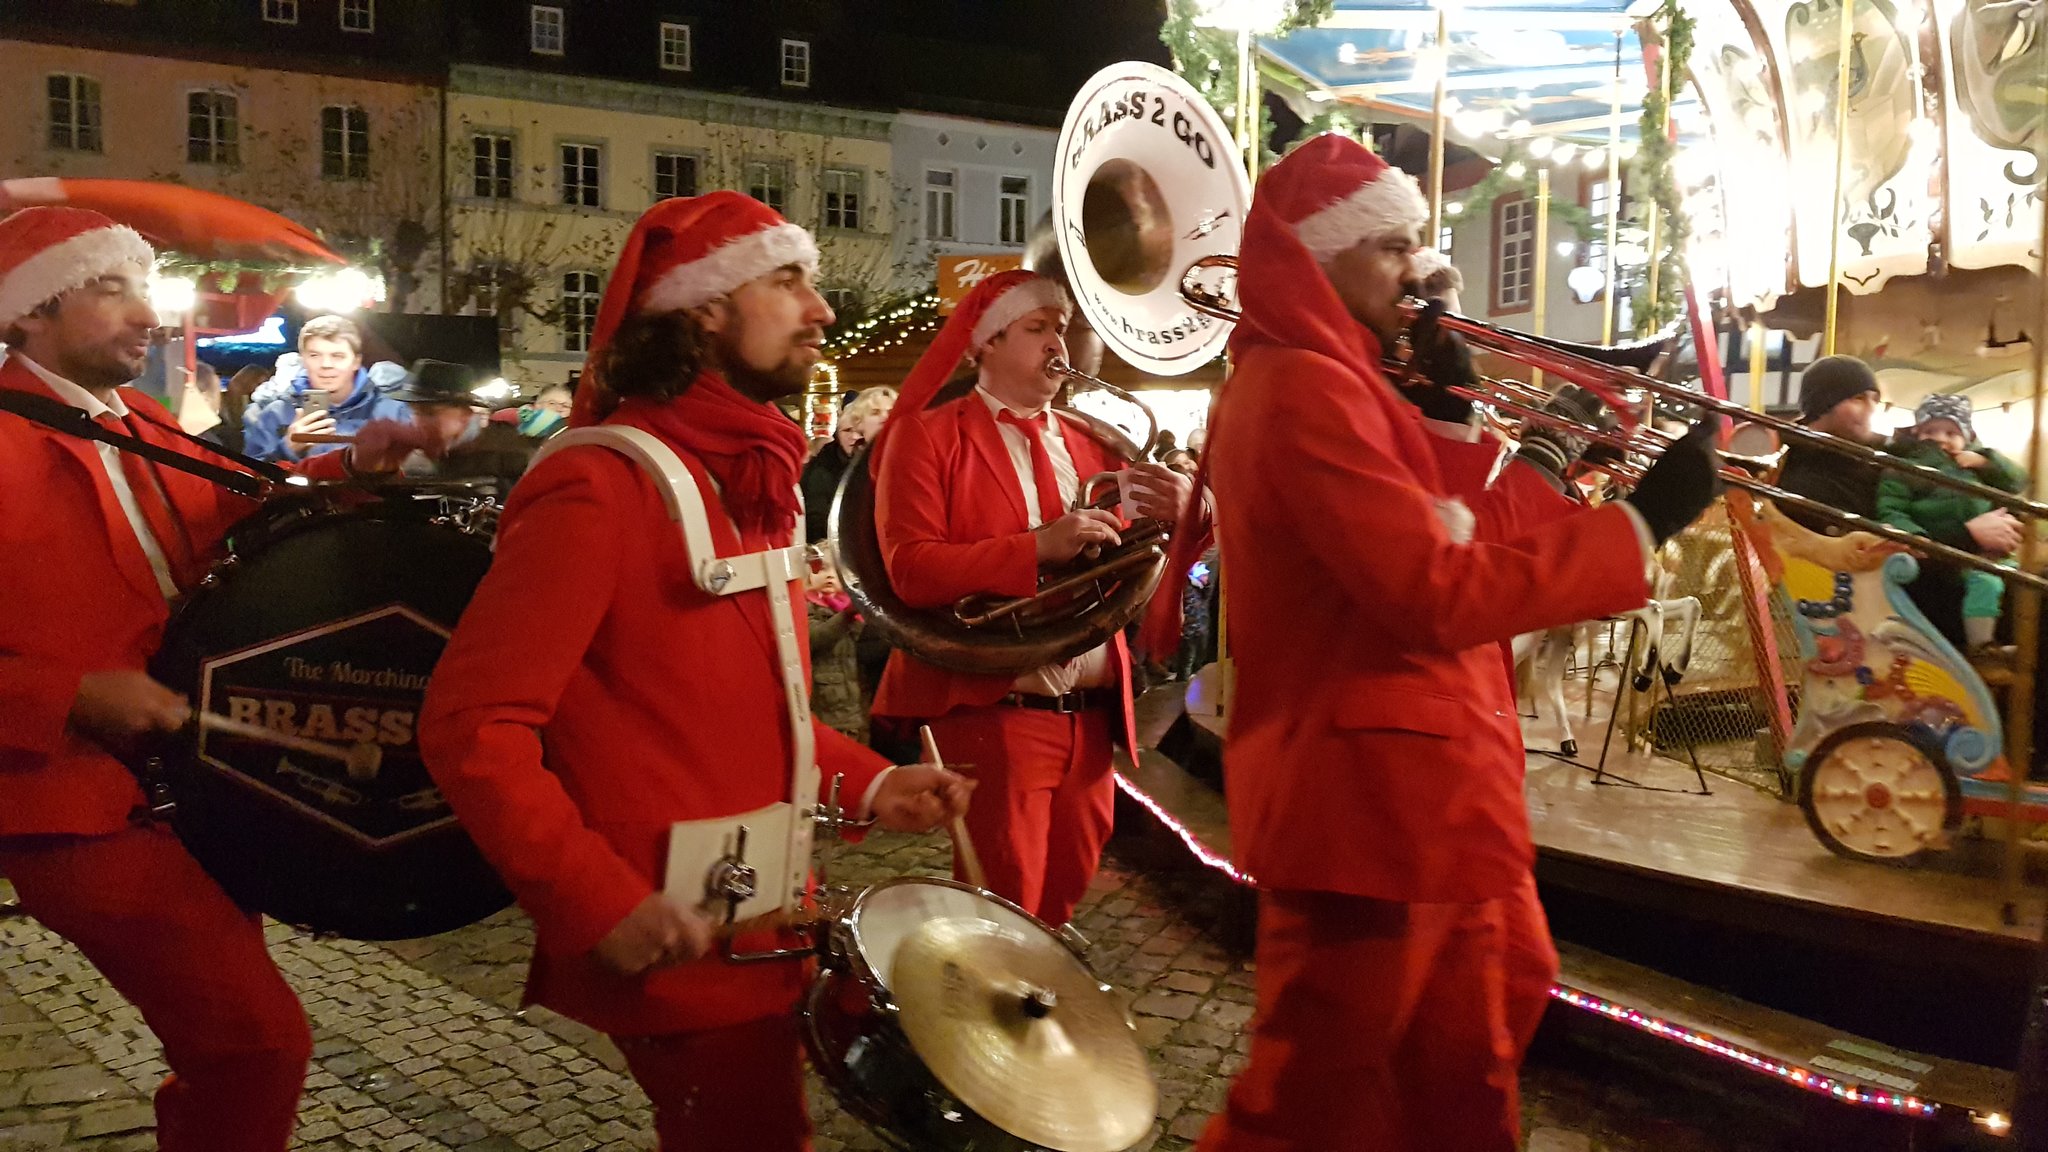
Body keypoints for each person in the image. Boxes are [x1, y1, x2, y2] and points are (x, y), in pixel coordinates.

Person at [1165, 135, 1719, 1152]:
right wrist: (1635, 529)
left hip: (1436, 797)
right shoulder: (1298, 386)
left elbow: (1458, 534)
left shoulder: (1343, 383)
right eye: (1389, 247)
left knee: (1468, 1062)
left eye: (1418, 245)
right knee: (1317, 1100)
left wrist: (1456, 425)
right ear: (1312, 258)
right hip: (1369, 807)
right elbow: (1430, 591)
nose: (1418, 275)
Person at [417, 192, 971, 1152]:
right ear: (706, 308)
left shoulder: (749, 478)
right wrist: (596, 902)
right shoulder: (599, 482)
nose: (823, 309)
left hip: (756, 912)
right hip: (671, 930)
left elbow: (749, 710)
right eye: (788, 280)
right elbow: (472, 726)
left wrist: (872, 782)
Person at [0, 206, 427, 1152]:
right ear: (27, 314)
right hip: (64, 801)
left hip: (181, 787)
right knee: (255, 1042)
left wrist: (353, 464)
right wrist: (64, 691)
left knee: (234, 1043)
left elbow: (240, 520)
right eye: (110, 288)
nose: (146, 312)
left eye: (143, 287)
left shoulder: (137, 419)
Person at [869, 269, 1194, 928]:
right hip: (997, 707)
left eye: (1063, 331)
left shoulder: (1092, 442)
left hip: (1093, 718)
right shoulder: (929, 437)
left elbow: (1145, 547)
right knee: (1004, 905)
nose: (1059, 348)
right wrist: (1036, 548)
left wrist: (1189, 508)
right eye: (1037, 329)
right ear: (985, 343)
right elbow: (910, 570)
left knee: (1065, 891)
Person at [1877, 394, 2028, 650]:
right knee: (1987, 583)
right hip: (1940, 549)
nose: (1940, 439)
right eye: (1931, 430)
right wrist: (1913, 533)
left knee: (2013, 585)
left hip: (1985, 551)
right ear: (1917, 433)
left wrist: (1986, 461)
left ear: (1968, 437)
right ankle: (1981, 645)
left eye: (1951, 432)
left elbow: (2017, 481)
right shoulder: (1904, 467)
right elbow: (1891, 508)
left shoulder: (1975, 466)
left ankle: (1996, 642)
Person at [240, 314, 411, 462]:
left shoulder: (393, 413)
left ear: (356, 362)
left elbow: (416, 476)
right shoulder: (274, 414)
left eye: (337, 356)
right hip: (300, 500)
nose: (326, 365)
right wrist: (287, 448)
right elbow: (253, 482)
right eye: (315, 355)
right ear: (304, 360)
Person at [390, 358, 538, 492]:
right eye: (413, 412)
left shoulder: (515, 453)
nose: (416, 422)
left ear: (465, 414)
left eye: (430, 413)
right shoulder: (403, 457)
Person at [800, 386, 894, 542]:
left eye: (890, 412)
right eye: (875, 412)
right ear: (859, 422)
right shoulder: (849, 468)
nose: (885, 417)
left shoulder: (906, 458)